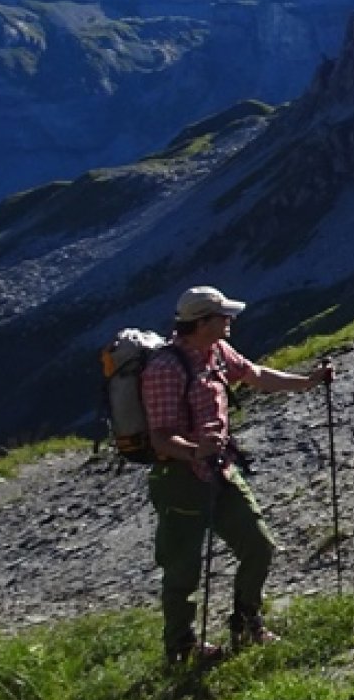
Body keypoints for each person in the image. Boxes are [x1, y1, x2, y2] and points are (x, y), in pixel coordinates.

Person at [143, 284, 334, 665]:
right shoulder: (165, 369)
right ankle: (180, 647)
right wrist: (194, 449)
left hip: (219, 468)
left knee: (259, 545)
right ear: (202, 322)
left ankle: (246, 622)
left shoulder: (217, 351)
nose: (230, 320)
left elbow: (255, 374)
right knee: (183, 568)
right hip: (180, 478)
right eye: (223, 315)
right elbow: (159, 437)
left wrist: (308, 382)